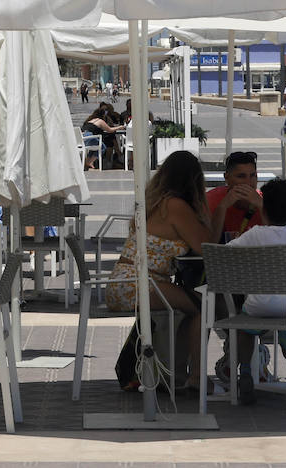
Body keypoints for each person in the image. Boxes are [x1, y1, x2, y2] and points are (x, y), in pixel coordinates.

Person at [106, 151, 230, 396]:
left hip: (127, 281)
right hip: (141, 283)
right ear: (193, 179)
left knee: (191, 309)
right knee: (202, 307)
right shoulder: (175, 206)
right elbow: (207, 248)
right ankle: (193, 377)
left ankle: (175, 375)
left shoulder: (156, 201)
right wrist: (221, 208)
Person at [225, 178, 286, 407]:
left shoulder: (255, 234)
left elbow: (227, 252)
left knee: (245, 331)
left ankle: (247, 373)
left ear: (264, 207)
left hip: (257, 307)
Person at [205, 150, 264, 241]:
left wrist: (262, 206)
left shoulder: (266, 201)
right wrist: (222, 207)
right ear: (227, 178)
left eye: (252, 176)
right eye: (241, 176)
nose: (248, 183)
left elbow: (278, 240)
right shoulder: (210, 200)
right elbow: (209, 244)